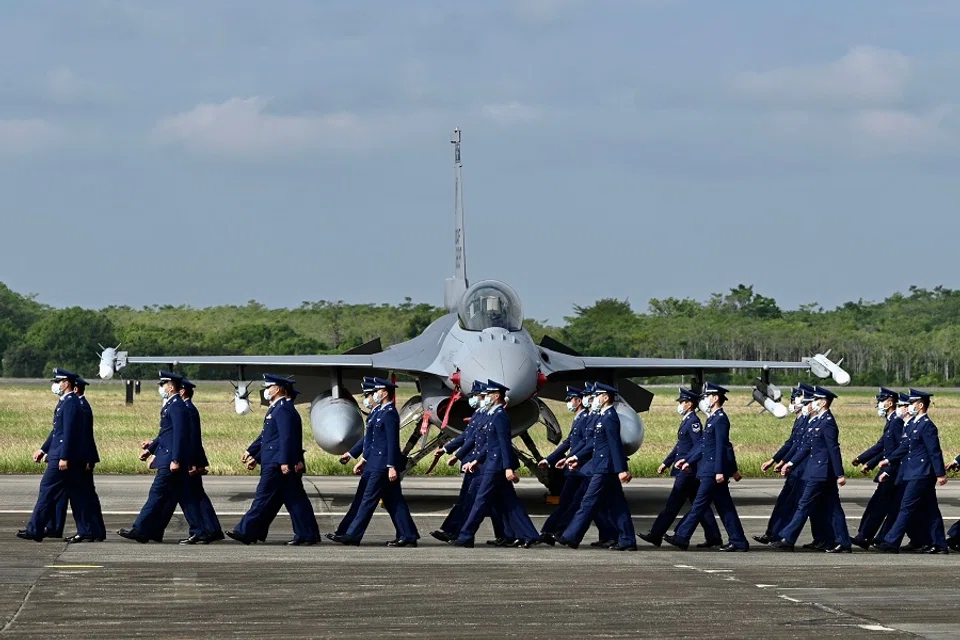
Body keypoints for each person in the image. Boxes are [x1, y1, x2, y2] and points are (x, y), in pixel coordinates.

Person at [228, 374, 320, 545]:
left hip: (277, 464)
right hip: (276, 460)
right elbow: (269, 438)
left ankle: (245, 531)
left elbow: (286, 438)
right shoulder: (279, 408)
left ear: (277, 389)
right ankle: (307, 534)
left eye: (269, 387)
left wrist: (285, 461)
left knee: (262, 498)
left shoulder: (283, 409)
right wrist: (253, 454)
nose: (266, 390)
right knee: (295, 500)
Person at [329, 377, 420, 547]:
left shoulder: (390, 413)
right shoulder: (380, 413)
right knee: (394, 501)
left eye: (377, 391)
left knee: (367, 500)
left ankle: (352, 535)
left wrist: (392, 466)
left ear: (385, 393)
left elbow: (392, 442)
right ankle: (408, 535)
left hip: (382, 465)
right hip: (375, 463)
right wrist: (362, 459)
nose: (374, 395)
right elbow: (370, 440)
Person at [451, 379, 540, 548]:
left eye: (488, 394)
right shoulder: (492, 415)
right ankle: (529, 535)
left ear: (497, 396)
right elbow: (488, 444)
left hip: (496, 466)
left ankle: (466, 536)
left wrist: (508, 468)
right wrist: (476, 460)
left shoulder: (500, 416)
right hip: (490, 463)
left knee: (481, 500)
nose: (485, 398)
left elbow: (503, 443)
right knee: (509, 502)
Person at [18, 369, 101, 542]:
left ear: (67, 383)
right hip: (62, 455)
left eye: (58, 381)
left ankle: (35, 529)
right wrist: (43, 450)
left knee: (47, 490)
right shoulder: (66, 402)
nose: (56, 385)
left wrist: (64, 457)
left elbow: (69, 433)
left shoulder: (71, 403)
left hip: (63, 457)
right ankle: (86, 531)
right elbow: (58, 432)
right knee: (78, 494)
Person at [665, 382, 748, 552]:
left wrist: (719, 471)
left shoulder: (720, 420)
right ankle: (738, 541)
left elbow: (722, 447)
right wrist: (688, 460)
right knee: (725, 507)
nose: (704, 400)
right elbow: (703, 445)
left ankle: (682, 536)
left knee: (698, 505)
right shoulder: (713, 419)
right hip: (709, 469)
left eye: (707, 396)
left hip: (712, 471)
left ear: (715, 398)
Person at [555, 382, 637, 551]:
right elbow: (594, 444)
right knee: (617, 505)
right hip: (601, 465)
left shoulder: (610, 417)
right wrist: (576, 457)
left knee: (588, 502)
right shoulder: (603, 416)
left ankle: (572, 536)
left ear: (605, 397)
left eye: (597, 395)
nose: (594, 399)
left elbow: (615, 445)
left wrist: (621, 469)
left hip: (605, 468)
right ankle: (628, 539)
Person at [639, 387, 722, 548]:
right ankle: (713, 536)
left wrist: (688, 462)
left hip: (687, 471)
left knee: (674, 503)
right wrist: (666, 462)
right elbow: (680, 446)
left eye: (683, 402)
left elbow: (699, 445)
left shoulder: (693, 423)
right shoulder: (687, 420)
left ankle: (656, 534)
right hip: (685, 468)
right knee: (700, 506)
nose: (680, 405)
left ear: (690, 404)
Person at [119, 371, 194, 543]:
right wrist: (151, 449)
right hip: (167, 457)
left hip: (170, 460)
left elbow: (180, 435)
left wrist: (176, 459)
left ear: (171, 386)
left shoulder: (177, 406)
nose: (161, 388)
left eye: (163, 384)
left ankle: (140, 529)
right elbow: (165, 433)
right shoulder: (172, 405)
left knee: (157, 493)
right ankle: (155, 531)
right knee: (169, 498)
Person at [772, 386, 850, 553]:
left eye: (815, 400)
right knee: (834, 508)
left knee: (804, 504)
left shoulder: (828, 422)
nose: (812, 403)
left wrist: (840, 474)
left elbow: (833, 449)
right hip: (817, 471)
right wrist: (790, 463)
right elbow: (806, 447)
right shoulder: (816, 421)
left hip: (821, 472)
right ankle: (843, 542)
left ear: (823, 402)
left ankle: (788, 537)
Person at [539, 384, 617, 547]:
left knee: (581, 503)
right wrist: (554, 459)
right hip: (579, 467)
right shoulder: (583, 418)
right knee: (584, 504)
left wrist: (573, 459)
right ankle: (559, 532)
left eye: (571, 399)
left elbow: (589, 444)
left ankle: (557, 532)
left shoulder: (589, 418)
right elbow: (571, 442)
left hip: (585, 468)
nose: (591, 400)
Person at [874, 389, 948, 554]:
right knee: (931, 510)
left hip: (921, 473)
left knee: (905, 507)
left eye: (911, 403)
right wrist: (889, 460)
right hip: (914, 472)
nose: (908, 407)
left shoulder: (927, 426)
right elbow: (905, 446)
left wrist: (940, 473)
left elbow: (934, 451)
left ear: (920, 405)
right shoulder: (914, 424)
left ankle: (891, 541)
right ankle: (940, 544)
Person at [429, 381, 499, 543]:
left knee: (477, 501)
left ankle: (462, 534)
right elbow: (466, 436)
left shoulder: (493, 415)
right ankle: (455, 531)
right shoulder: (479, 414)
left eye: (477, 395)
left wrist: (463, 457)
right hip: (476, 463)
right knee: (474, 501)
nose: (473, 398)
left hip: (483, 464)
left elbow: (489, 442)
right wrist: (450, 450)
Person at [754, 383, 813, 545]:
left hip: (803, 469)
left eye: (796, 398)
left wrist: (786, 462)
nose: (792, 402)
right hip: (796, 468)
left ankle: (784, 537)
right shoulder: (800, 420)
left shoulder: (809, 421)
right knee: (784, 502)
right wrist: (776, 460)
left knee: (798, 505)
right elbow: (791, 444)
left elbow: (801, 447)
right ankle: (774, 533)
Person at [849, 387, 902, 550]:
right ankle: (868, 536)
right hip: (888, 470)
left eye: (881, 401)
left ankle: (866, 537)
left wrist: (886, 469)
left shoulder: (896, 422)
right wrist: (865, 460)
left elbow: (897, 450)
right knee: (880, 506)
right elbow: (882, 446)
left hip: (892, 472)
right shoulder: (891, 421)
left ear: (890, 403)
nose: (878, 404)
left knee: (880, 506)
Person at [178, 379, 223, 544]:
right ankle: (211, 529)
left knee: (189, 496)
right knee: (198, 496)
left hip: (189, 460)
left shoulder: (187, 410)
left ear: (183, 392)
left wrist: (193, 463)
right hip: (192, 459)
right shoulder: (189, 409)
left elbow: (191, 440)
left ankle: (200, 530)